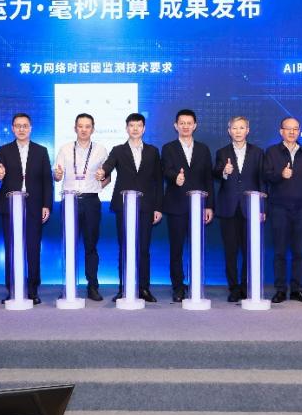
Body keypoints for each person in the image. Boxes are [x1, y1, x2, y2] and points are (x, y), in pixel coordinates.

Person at [95, 112, 163, 303]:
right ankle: (123, 288)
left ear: (144, 128)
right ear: (126, 128)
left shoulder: (152, 151)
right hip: (123, 206)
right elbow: (108, 166)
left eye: (138, 125)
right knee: (125, 247)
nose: (135, 129)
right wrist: (102, 172)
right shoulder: (118, 150)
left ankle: (144, 288)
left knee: (144, 248)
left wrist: (158, 207)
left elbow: (158, 180)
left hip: (146, 206)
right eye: (131, 125)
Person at [0, 113, 52, 305]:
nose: (21, 129)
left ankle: (33, 289)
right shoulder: (4, 150)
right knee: (11, 248)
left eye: (25, 125)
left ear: (30, 128)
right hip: (11, 206)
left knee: (33, 248)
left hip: (34, 205)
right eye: (18, 126)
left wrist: (46, 205)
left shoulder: (41, 151)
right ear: (12, 128)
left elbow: (47, 180)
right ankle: (12, 289)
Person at [53, 113, 110, 301]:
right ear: (75, 128)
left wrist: (99, 183)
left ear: (93, 129)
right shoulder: (65, 149)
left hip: (91, 201)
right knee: (69, 245)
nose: (84, 129)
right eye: (80, 126)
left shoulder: (101, 150)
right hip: (70, 201)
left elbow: (107, 177)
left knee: (91, 245)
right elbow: (57, 176)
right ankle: (69, 285)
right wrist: (57, 175)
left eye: (87, 126)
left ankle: (92, 286)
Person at [161, 109, 214, 302]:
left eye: (189, 123)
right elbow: (165, 170)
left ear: (195, 126)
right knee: (176, 249)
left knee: (197, 248)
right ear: (176, 126)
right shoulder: (168, 148)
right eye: (182, 123)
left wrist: (209, 205)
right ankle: (178, 287)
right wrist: (175, 177)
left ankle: (196, 283)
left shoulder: (203, 149)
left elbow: (208, 179)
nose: (185, 126)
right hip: (176, 205)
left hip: (199, 206)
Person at [263, 116, 302, 304]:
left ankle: (296, 289)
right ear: (281, 131)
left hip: (301, 208)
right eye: (288, 128)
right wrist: (281, 175)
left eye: (295, 129)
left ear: (299, 131)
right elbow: (266, 176)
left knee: (299, 252)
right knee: (279, 252)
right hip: (278, 208)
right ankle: (280, 289)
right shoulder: (272, 151)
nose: (292, 132)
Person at [212, 116, 265, 302]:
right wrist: (224, 172)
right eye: (234, 128)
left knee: (249, 250)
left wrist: (262, 208)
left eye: (241, 128)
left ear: (247, 130)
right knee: (231, 251)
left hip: (251, 207)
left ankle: (245, 285)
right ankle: (233, 287)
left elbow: (262, 182)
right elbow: (215, 174)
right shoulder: (222, 152)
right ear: (229, 131)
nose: (238, 131)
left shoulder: (258, 153)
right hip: (228, 208)